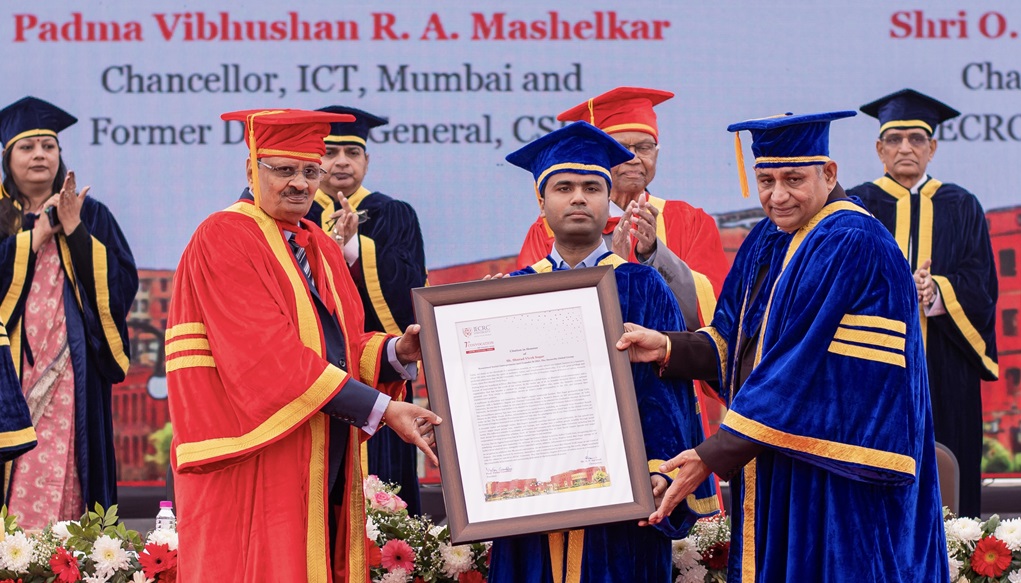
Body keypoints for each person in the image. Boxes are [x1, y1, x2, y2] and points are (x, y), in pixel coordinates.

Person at [617, 112, 949, 581]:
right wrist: (669, 347)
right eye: (766, 179)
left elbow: (792, 364)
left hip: (843, 475)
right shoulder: (767, 239)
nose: (777, 195)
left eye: (794, 179)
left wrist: (710, 455)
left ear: (829, 173)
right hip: (782, 455)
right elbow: (732, 338)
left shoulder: (851, 239)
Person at [167, 108, 441, 582]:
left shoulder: (319, 244)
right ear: (251, 168)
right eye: (284, 169)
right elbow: (267, 358)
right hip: (256, 454)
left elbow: (340, 347)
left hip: (319, 449)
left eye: (309, 171)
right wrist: (383, 409)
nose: (299, 183)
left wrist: (397, 352)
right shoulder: (224, 236)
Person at [490, 121, 718, 583]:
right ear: (541, 201)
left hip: (623, 503)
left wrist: (661, 470)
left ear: (608, 198)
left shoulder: (642, 284)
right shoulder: (511, 291)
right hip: (529, 503)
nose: (579, 198)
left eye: (593, 187)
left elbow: (668, 397)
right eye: (564, 187)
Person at [847, 89, 998, 519]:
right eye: (894, 139)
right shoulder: (857, 206)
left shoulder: (963, 206)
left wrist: (936, 293)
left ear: (932, 147)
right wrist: (895, 288)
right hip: (874, 364)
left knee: (949, 470)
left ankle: (957, 561)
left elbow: (982, 284)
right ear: (879, 149)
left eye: (916, 138)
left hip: (945, 366)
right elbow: (840, 278)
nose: (905, 148)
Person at [0, 96, 137, 528]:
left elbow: (122, 284)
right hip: (10, 369)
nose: (40, 154)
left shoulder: (91, 213)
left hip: (70, 371)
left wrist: (75, 229)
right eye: (28, 147)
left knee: (68, 462)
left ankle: (66, 562)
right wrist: (32, 238)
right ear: (8, 158)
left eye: (49, 145)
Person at [516, 87, 727, 329]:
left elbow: (716, 313)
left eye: (644, 147)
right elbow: (531, 314)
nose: (634, 158)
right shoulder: (552, 228)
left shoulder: (690, 221)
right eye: (622, 149)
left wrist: (654, 255)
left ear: (657, 154)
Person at [306, 105, 428, 515]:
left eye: (352, 153)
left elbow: (410, 293)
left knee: (384, 489)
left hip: (377, 374)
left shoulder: (393, 214)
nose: (341, 161)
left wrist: (355, 249)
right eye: (330, 152)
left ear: (366, 161)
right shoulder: (295, 213)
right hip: (312, 374)